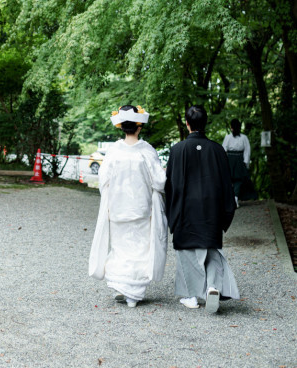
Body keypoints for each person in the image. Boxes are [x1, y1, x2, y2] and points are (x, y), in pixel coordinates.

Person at [89, 105, 168, 308]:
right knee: (140, 251)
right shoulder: (147, 151)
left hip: (117, 208)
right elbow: (159, 182)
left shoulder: (114, 151)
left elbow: (103, 180)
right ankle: (132, 293)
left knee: (120, 249)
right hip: (141, 209)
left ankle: (121, 287)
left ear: (121, 127)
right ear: (139, 126)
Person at [165, 105, 239, 313]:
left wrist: (172, 215)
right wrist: (226, 213)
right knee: (211, 250)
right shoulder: (217, 150)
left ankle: (191, 296)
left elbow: (170, 185)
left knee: (187, 252)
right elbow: (227, 184)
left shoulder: (177, 150)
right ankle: (213, 287)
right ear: (205, 123)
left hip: (186, 209)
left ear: (187, 124)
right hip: (212, 210)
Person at [222, 119, 255, 204]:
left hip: (233, 160)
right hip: (237, 160)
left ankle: (235, 198)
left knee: (236, 180)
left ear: (231, 127)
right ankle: (234, 198)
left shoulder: (232, 137)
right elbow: (247, 150)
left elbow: (223, 150)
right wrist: (246, 162)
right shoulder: (241, 137)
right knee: (237, 180)